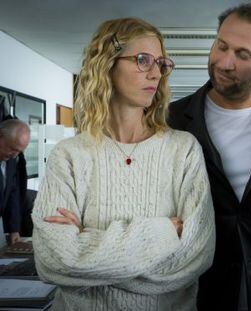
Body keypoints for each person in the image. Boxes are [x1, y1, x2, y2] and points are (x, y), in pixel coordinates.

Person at [32, 17, 215, 311]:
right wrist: (162, 233)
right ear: (107, 64)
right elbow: (54, 262)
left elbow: (194, 257)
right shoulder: (69, 155)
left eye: (161, 64)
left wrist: (85, 250)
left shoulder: (183, 149)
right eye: (143, 60)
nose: (156, 73)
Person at [168, 4, 251, 310]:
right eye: (221, 46)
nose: (225, 62)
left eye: (243, 55)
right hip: (198, 284)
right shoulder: (170, 119)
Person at [0, 119, 30, 245]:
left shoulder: (11, 159)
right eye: (12, 148)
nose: (14, 155)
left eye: (19, 152)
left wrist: (14, 229)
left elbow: (12, 191)